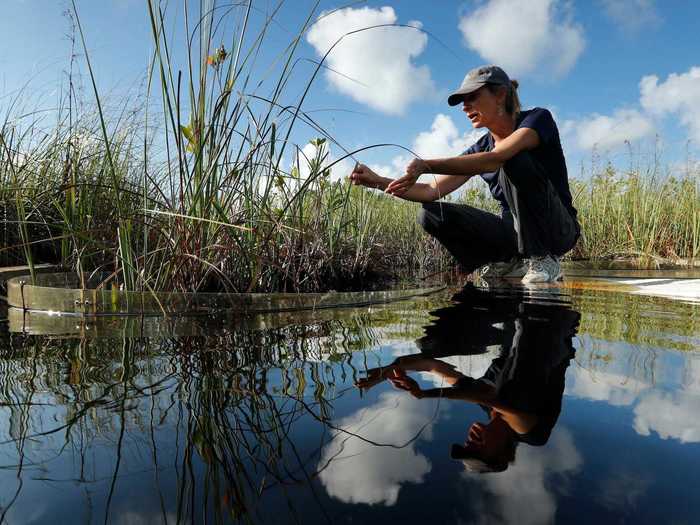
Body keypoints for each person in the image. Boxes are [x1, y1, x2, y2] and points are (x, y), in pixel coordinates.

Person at [349, 65, 580, 283]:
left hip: (557, 230)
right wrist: (377, 181)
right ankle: (508, 262)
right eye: (463, 101)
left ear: (500, 94)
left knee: (513, 159)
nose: (464, 107)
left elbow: (496, 159)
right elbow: (430, 191)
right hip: (514, 236)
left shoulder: (538, 119)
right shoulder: (481, 148)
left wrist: (426, 165)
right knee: (430, 214)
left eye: (472, 98)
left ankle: (543, 260)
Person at [355, 283, 581, 473]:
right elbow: (492, 401)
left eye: (466, 446)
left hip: (517, 323)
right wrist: (425, 394)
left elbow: (432, 366)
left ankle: (490, 280)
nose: (469, 442)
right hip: (552, 325)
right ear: (501, 454)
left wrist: (384, 373)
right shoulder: (532, 435)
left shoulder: (482, 398)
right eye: (476, 450)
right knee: (504, 384)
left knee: (430, 346)